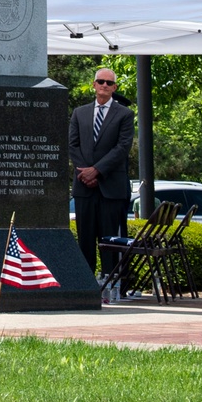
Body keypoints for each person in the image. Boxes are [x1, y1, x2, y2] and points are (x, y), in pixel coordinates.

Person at [68, 67, 135, 278]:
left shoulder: (124, 114)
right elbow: (72, 145)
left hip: (110, 187)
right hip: (83, 187)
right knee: (85, 238)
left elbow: (122, 148)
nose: (104, 85)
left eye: (108, 83)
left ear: (114, 88)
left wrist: (96, 171)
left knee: (109, 241)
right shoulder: (79, 113)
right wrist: (85, 173)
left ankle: (111, 283)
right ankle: (86, 283)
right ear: (94, 85)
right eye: (100, 81)